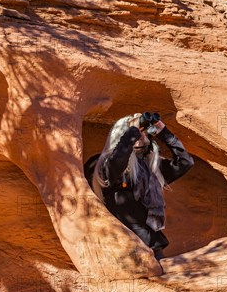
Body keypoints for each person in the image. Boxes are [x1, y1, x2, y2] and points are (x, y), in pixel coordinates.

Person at [83, 112, 194, 261]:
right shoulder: (104, 165)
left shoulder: (148, 167)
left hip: (152, 247)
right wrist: (132, 131)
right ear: (123, 135)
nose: (140, 136)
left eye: (143, 132)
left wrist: (162, 131)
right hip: (124, 248)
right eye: (136, 132)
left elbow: (185, 162)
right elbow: (118, 159)